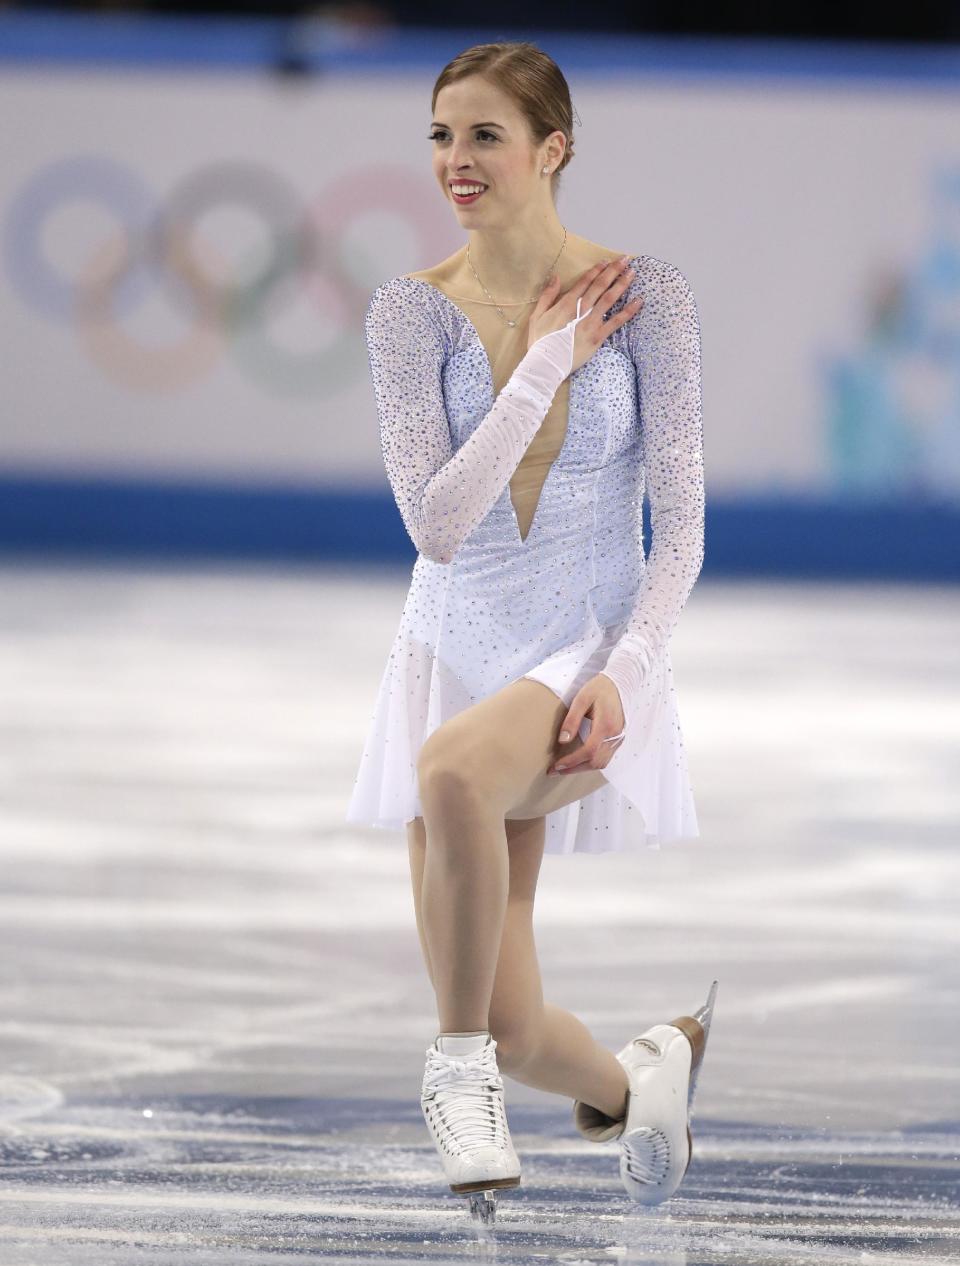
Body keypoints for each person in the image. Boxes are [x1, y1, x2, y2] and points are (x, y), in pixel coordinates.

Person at [345, 40, 716, 1212]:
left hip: (584, 652)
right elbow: (438, 526)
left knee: (452, 773)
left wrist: (633, 672)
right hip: (452, 644)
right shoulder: (411, 312)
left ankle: (449, 1077)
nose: (458, 160)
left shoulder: (647, 294)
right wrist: (544, 366)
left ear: (552, 149)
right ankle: (635, 1078)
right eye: (443, 136)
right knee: (513, 1023)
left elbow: (685, 525)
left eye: (486, 135)